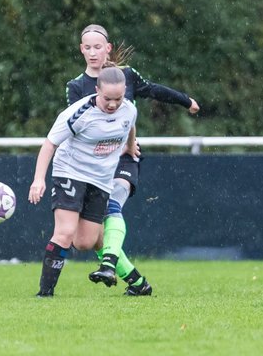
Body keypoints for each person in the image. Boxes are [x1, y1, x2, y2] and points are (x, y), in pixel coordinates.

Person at [64, 24, 199, 296]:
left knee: (112, 204)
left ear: (108, 48)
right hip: (93, 165)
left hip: (126, 156)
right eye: (87, 47)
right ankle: (138, 283)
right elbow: (72, 129)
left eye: (97, 47)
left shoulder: (126, 76)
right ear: (81, 50)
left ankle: (109, 265)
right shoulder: (77, 87)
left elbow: (153, 89)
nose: (93, 53)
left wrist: (185, 101)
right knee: (93, 234)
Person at [29, 66, 139, 297]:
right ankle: (44, 293)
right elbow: (49, 144)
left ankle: (133, 279)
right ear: (97, 90)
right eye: (107, 99)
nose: (112, 104)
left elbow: (129, 125)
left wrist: (130, 146)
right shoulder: (79, 113)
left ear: (125, 92)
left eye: (117, 99)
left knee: (85, 242)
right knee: (65, 232)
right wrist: (39, 179)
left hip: (100, 180)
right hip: (70, 172)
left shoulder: (128, 109)